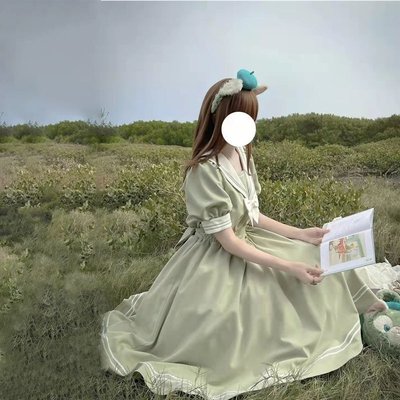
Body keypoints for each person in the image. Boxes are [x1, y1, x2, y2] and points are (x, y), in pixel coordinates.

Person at [99, 70, 387, 400]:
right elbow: (228, 241)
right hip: (216, 256)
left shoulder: (241, 154)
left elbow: (252, 215)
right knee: (240, 316)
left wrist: (300, 234)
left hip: (246, 239)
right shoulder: (203, 170)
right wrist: (287, 266)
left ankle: (356, 308)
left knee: (313, 253)